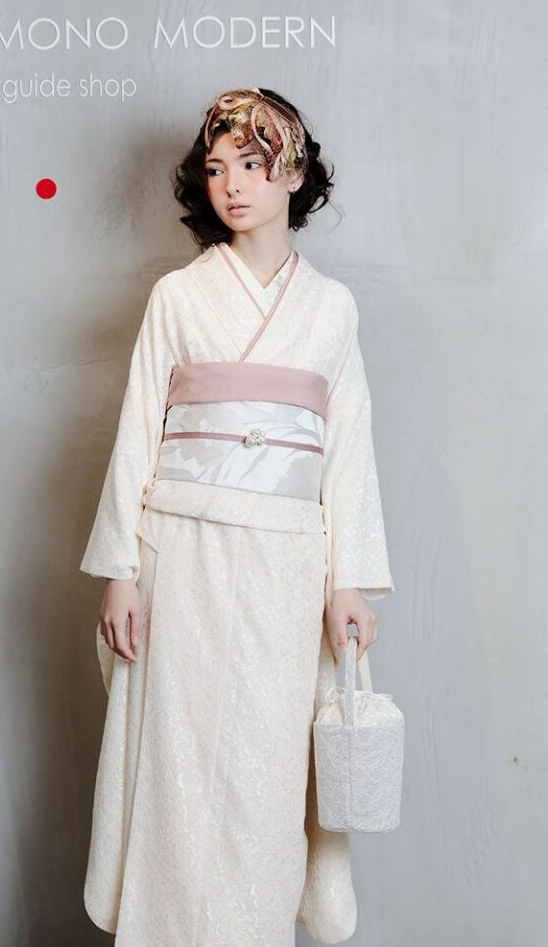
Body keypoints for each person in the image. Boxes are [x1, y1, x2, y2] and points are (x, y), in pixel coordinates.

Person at [79, 86, 395, 947]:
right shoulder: (179, 298)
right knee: (174, 762)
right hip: (178, 552)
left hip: (287, 565)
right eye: (217, 169)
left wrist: (349, 581)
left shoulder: (331, 309)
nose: (232, 186)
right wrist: (120, 570)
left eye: (252, 164)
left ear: (292, 171)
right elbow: (139, 431)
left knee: (266, 770)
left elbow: (349, 451)